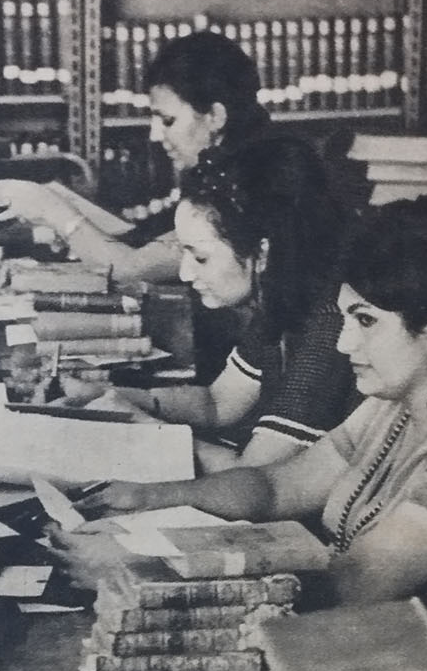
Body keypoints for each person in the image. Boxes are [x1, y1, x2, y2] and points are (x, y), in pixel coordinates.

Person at [53, 199, 427, 671]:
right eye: (345, 317)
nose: (344, 343)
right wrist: (147, 498)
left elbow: (349, 585)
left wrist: (146, 569)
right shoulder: (395, 403)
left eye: (366, 321)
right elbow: (275, 487)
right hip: (354, 651)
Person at [71, 139, 356, 469]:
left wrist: (141, 425)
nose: (185, 273)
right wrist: (111, 395)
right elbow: (217, 402)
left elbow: (252, 476)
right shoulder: (280, 298)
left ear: (262, 252)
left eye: (201, 257)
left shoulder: (329, 327)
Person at [0, 30, 296, 286]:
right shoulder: (226, 162)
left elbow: (133, 268)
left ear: (215, 116)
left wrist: (51, 209)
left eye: (168, 120)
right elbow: (143, 242)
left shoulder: (260, 175)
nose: (156, 135)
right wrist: (67, 228)